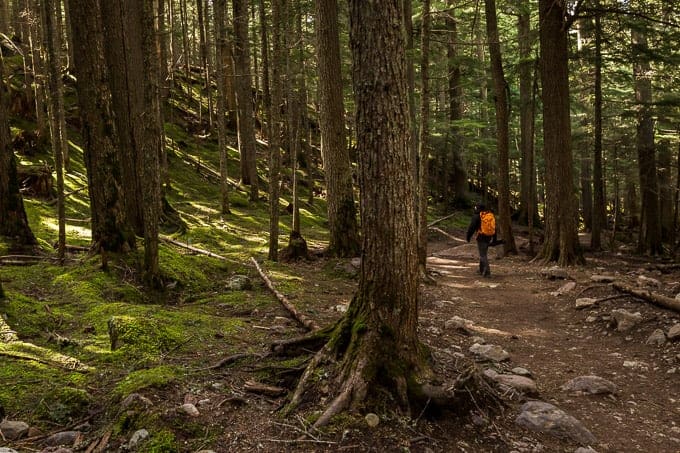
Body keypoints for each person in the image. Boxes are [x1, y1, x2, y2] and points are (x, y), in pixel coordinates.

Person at [466, 203, 496, 277]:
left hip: (481, 236)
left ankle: (487, 272)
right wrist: (494, 239)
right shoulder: (489, 215)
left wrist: (468, 236)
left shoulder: (477, 216)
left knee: (483, 255)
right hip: (489, 236)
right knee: (484, 253)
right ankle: (481, 270)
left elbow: (472, 227)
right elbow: (495, 228)